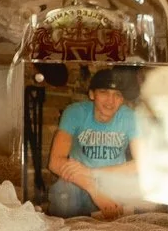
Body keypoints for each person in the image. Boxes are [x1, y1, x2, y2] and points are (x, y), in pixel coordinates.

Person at [46, 69, 141, 217]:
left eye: (117, 95)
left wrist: (93, 172)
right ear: (92, 94)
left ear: (122, 100)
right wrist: (94, 189)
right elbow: (54, 162)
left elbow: (141, 164)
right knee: (64, 190)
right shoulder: (75, 113)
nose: (111, 100)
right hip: (79, 182)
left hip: (113, 181)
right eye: (104, 92)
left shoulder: (129, 117)